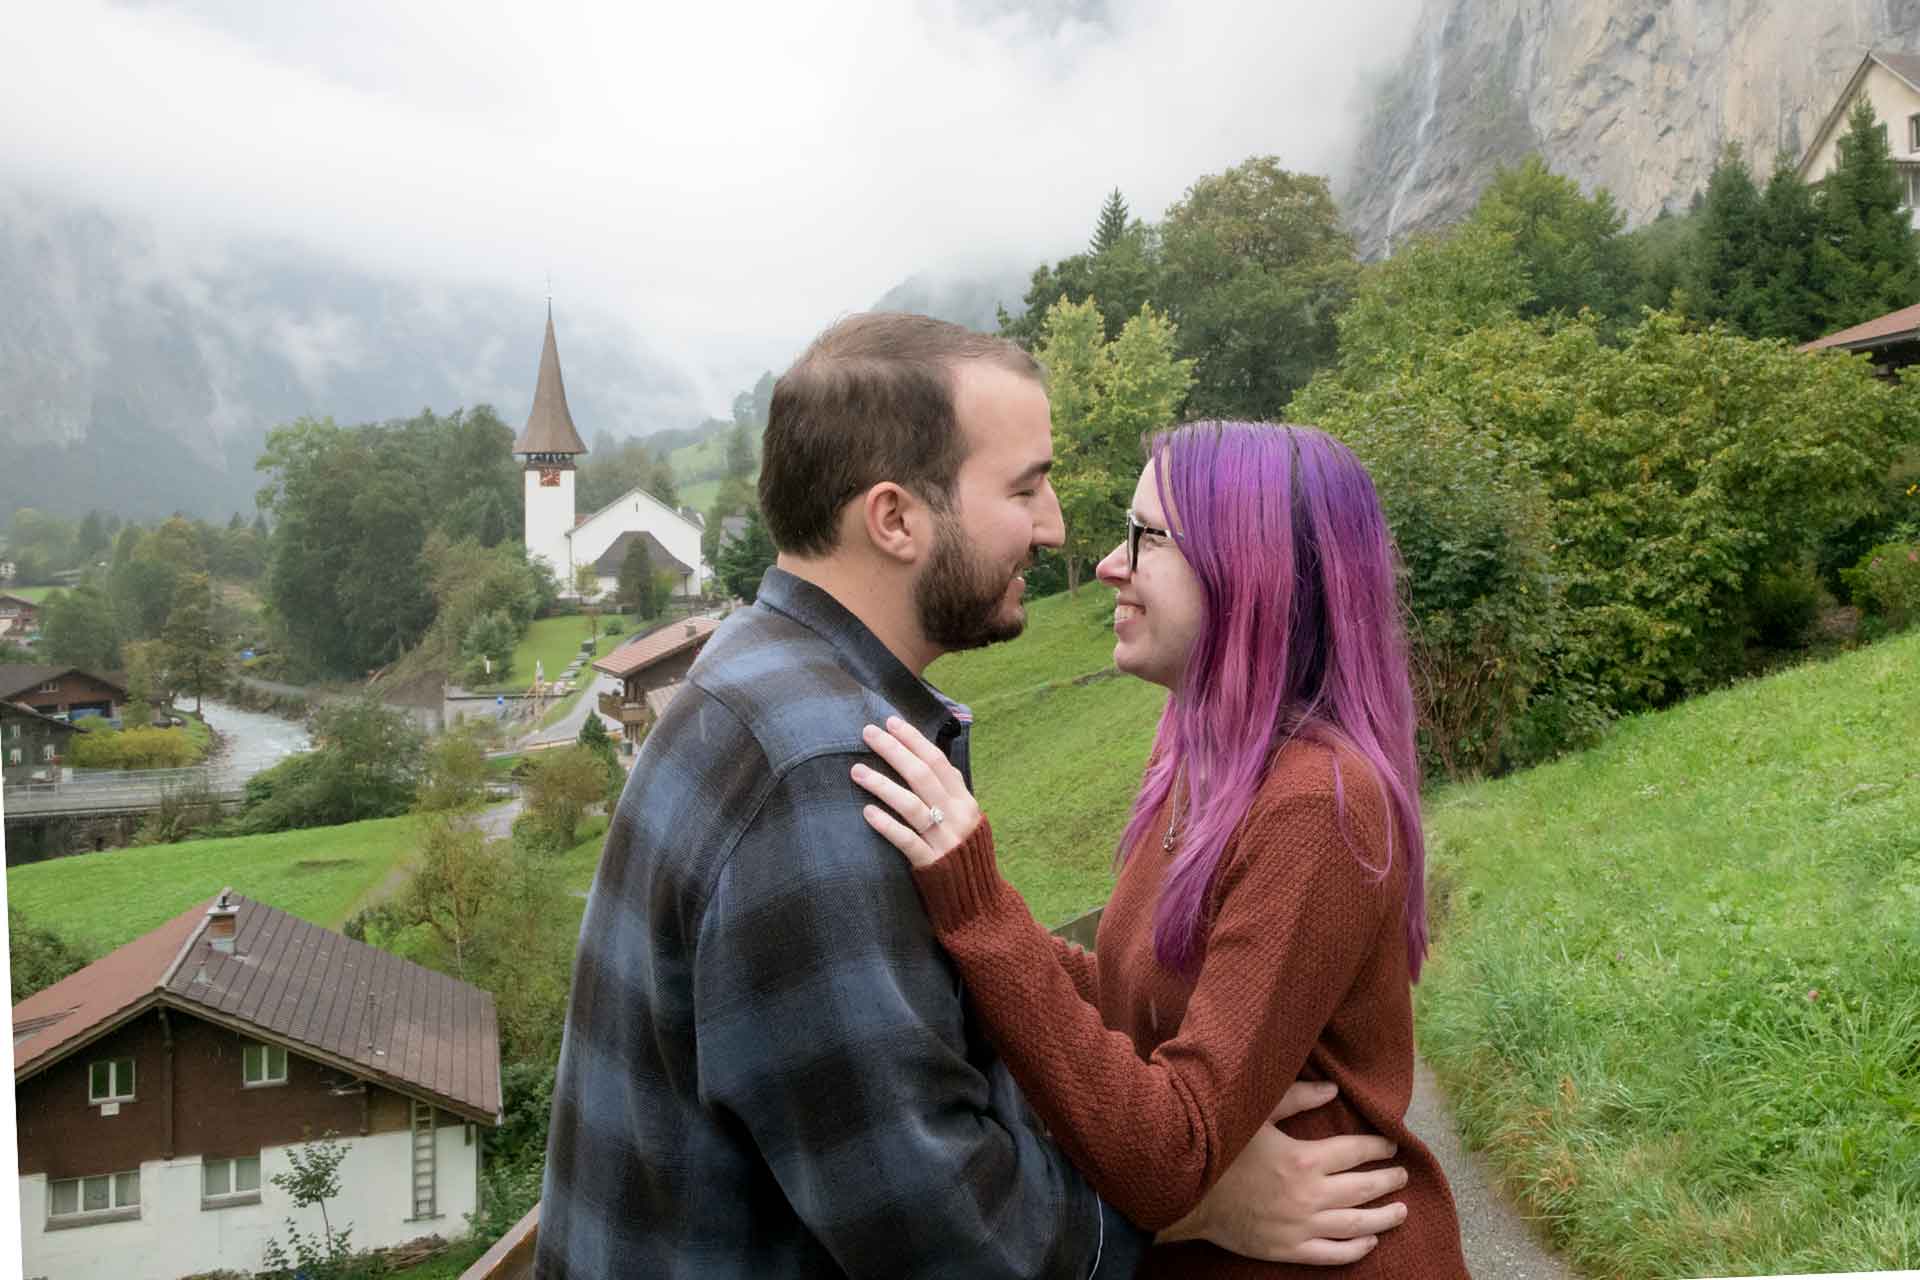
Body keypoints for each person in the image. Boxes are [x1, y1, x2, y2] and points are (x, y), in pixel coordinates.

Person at [537, 318, 1412, 1279]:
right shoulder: (822, 769)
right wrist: (1189, 1207)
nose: (1062, 532)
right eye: (1025, 487)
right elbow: (951, 1235)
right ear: (897, 519)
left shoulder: (754, 682)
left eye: (1142, 535)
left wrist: (983, 915)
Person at [852, 421, 1470, 1278]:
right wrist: (962, 901)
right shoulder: (1196, 758)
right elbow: (1126, 1011)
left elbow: (1170, 1152)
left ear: (1250, 570)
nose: (1109, 563)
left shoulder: (1317, 805)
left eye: (1146, 537)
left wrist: (981, 909)